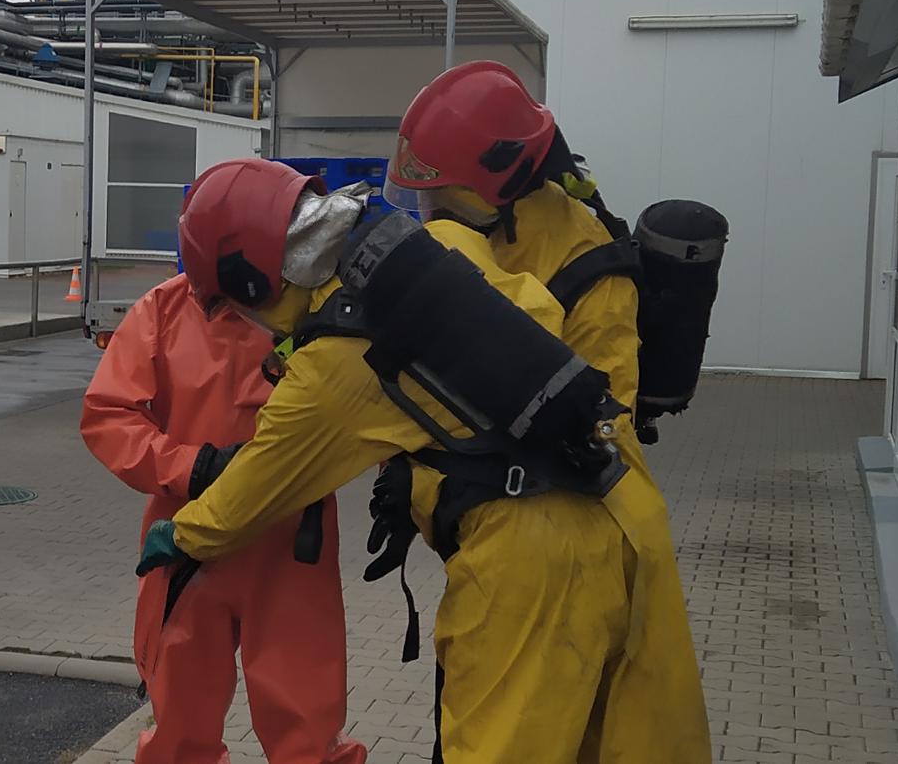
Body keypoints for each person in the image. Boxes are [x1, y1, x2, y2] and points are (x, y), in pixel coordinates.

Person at [138, 155, 711, 760]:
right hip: (623, 505)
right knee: (622, 742)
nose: (239, 318)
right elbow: (536, 318)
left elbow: (258, 487)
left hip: (532, 565)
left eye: (232, 303)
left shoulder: (331, 366)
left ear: (253, 280)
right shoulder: (435, 240)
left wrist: (184, 535)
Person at [82, 254, 367, 764]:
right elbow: (108, 415)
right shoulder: (165, 310)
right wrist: (194, 468)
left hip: (284, 548)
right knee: (181, 724)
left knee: (304, 726)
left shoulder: (320, 306)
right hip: (191, 542)